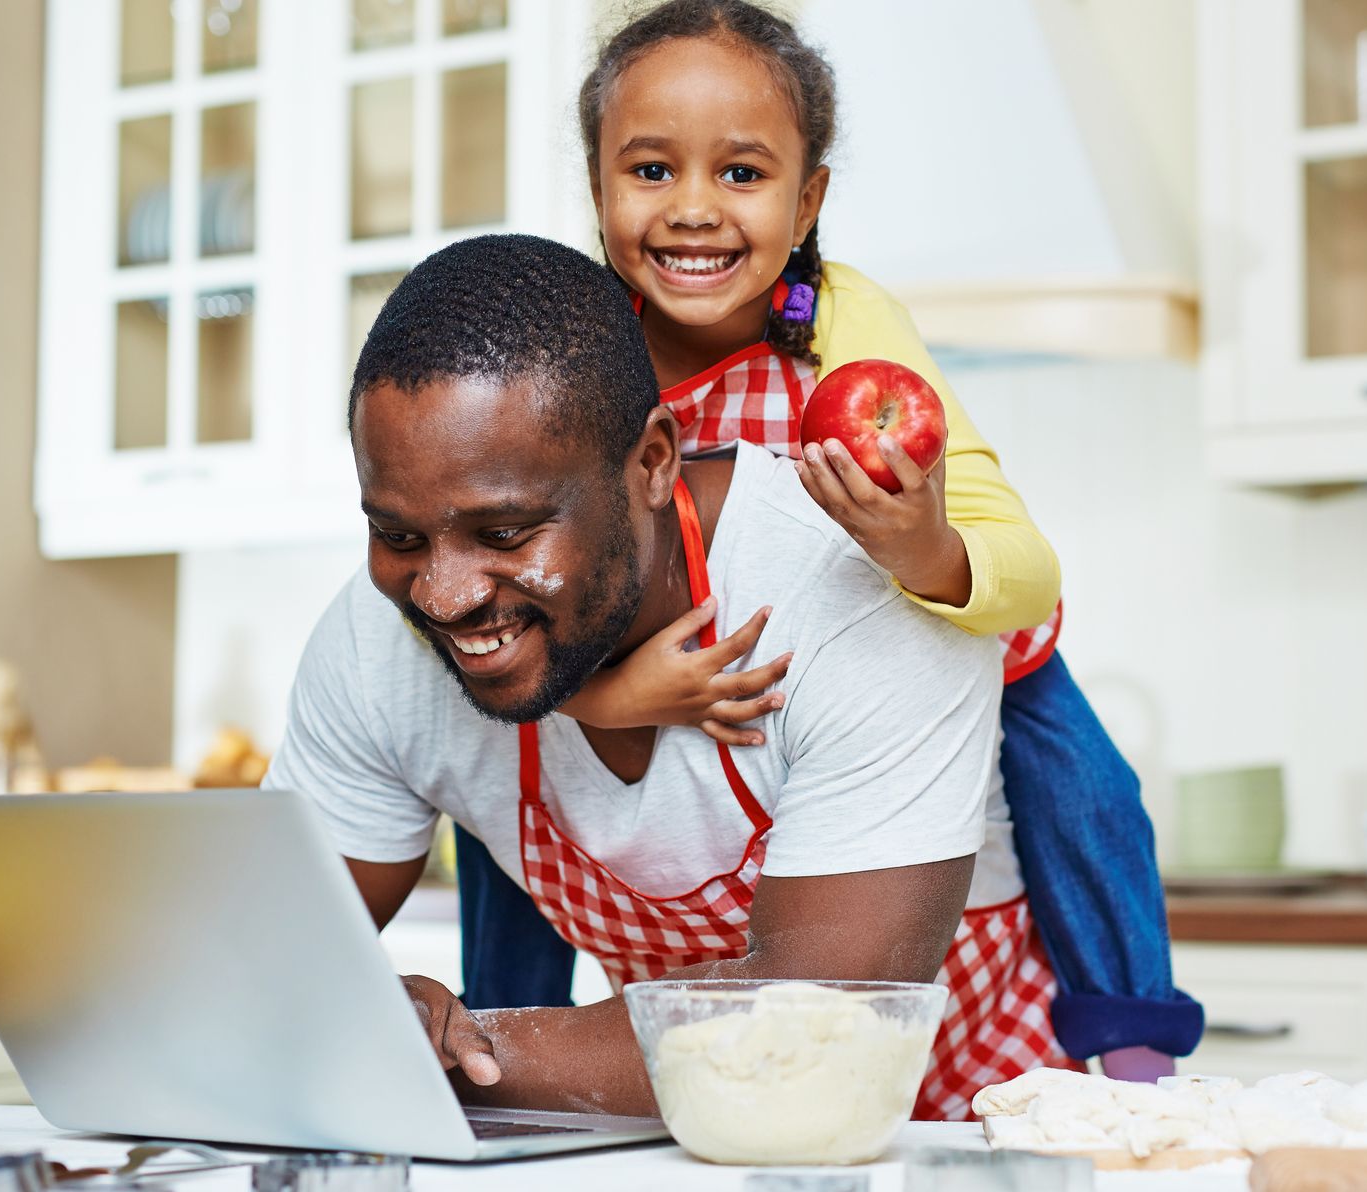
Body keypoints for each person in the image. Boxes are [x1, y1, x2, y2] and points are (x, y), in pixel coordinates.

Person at [448, 0, 1202, 1074]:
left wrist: (922, 547)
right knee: (505, 805)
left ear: (810, 200)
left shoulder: (842, 322)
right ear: (597, 184)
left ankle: (1132, 1038)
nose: (695, 210)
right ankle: (494, 1060)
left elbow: (1025, 573)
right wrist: (602, 697)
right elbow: (498, 591)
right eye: (651, 171)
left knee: (1091, 785)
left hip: (932, 640)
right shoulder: (576, 357)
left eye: (743, 175)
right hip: (717, 678)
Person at [268, 232, 1067, 1120]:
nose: (443, 596)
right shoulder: (378, 639)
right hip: (668, 1135)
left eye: (504, 534)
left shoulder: (855, 594)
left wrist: (433, 1055)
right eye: (399, 537)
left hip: (956, 1132)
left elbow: (821, 1036)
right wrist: (373, 1019)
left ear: (652, 462)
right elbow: (250, 964)